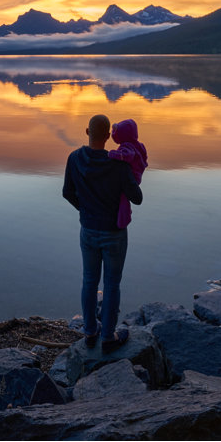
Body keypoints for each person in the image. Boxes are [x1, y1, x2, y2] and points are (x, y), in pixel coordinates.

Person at [62, 113, 143, 353]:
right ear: (109, 137)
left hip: (88, 230)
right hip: (114, 233)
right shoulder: (118, 164)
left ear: (87, 132)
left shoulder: (74, 159)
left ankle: (89, 332)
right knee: (111, 284)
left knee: (89, 280)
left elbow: (68, 192)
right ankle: (108, 336)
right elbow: (137, 199)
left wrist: (85, 209)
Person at [107, 118, 148, 229]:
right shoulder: (137, 144)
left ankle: (123, 219)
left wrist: (111, 154)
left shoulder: (127, 146)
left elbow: (126, 156)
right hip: (137, 175)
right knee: (124, 197)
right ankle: (123, 218)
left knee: (123, 198)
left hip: (132, 175)